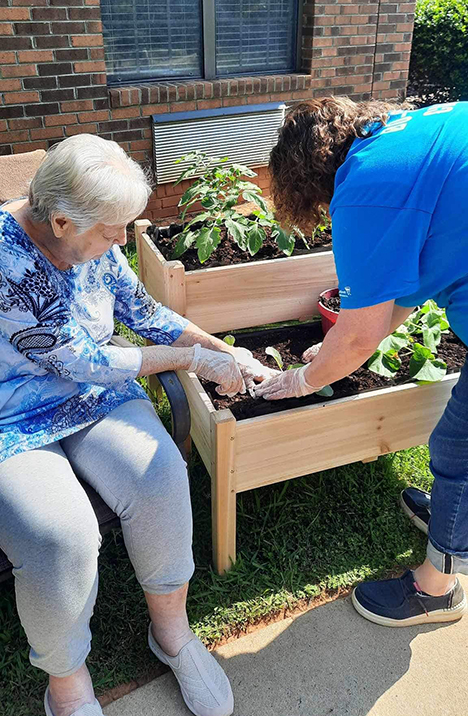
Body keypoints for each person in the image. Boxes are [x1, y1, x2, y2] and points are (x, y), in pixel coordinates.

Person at [0, 134, 274, 716]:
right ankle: (67, 685)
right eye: (111, 230)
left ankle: (171, 632)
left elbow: (143, 314)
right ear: (61, 222)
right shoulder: (6, 260)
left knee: (160, 479)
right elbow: (84, 360)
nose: (121, 241)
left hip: (94, 394)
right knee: (59, 534)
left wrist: (224, 352)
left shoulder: (92, 234)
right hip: (13, 413)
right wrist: (194, 362)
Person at [256, 97, 468, 627]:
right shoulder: (411, 131)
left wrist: (304, 378)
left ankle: (437, 587)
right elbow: (402, 290)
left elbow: (357, 340)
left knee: (457, 450)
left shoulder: (366, 188)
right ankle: (454, 518)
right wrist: (341, 345)